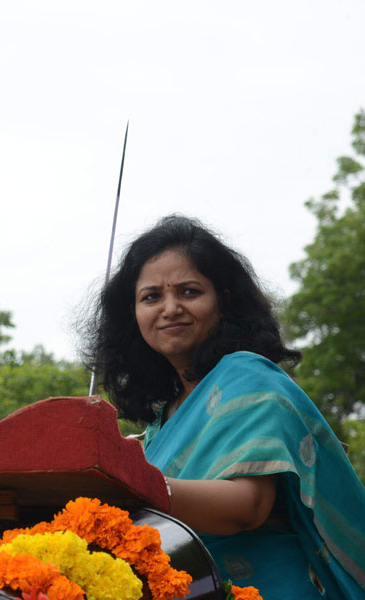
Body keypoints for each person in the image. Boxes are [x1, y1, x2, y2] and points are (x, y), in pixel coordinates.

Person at [82, 214, 365, 598]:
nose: (170, 308)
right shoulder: (160, 422)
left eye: (189, 292)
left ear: (223, 300)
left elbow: (246, 507)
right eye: (152, 297)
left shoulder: (247, 377)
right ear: (132, 316)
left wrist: (126, 485)